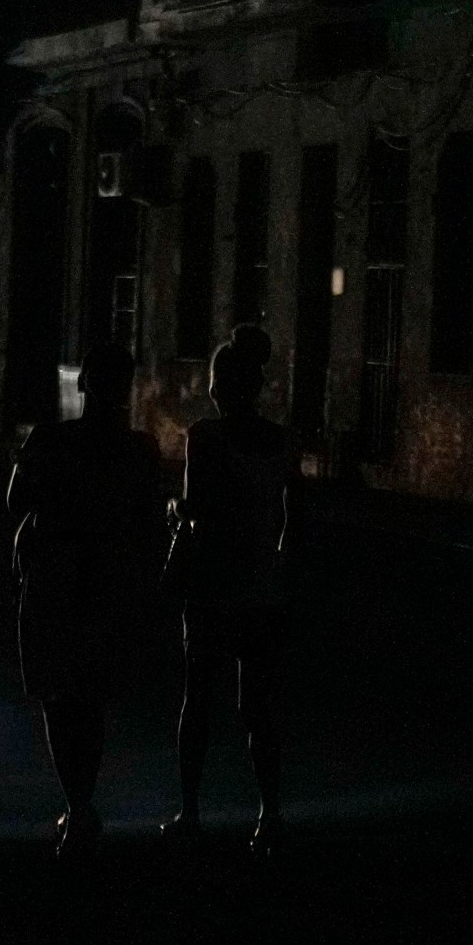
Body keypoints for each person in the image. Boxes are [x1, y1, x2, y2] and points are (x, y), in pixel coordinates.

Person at [6, 341, 163, 857]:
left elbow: (16, 499)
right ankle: (82, 802)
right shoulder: (140, 450)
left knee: (57, 691)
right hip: (108, 581)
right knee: (90, 694)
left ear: (82, 383)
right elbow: (148, 525)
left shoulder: (51, 439)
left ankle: (75, 804)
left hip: (55, 575)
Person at [167, 324, 293, 855]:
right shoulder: (282, 441)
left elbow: (198, 510)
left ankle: (190, 810)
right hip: (260, 583)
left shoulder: (205, 437)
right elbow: (295, 517)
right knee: (258, 706)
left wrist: (174, 513)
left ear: (220, 384)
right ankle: (269, 813)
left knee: (198, 699)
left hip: (213, 581)